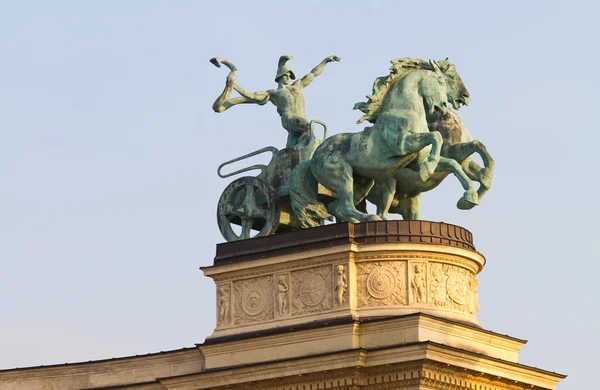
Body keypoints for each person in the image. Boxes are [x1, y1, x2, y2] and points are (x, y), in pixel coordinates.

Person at [210, 55, 340, 148]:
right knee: (308, 127)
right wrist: (233, 85)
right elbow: (252, 96)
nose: (288, 77)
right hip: (289, 119)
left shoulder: (297, 85)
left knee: (292, 143)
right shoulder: (274, 93)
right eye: (286, 75)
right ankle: (303, 149)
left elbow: (313, 74)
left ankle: (289, 158)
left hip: (298, 119)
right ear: (279, 78)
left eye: (290, 75)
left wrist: (326, 61)